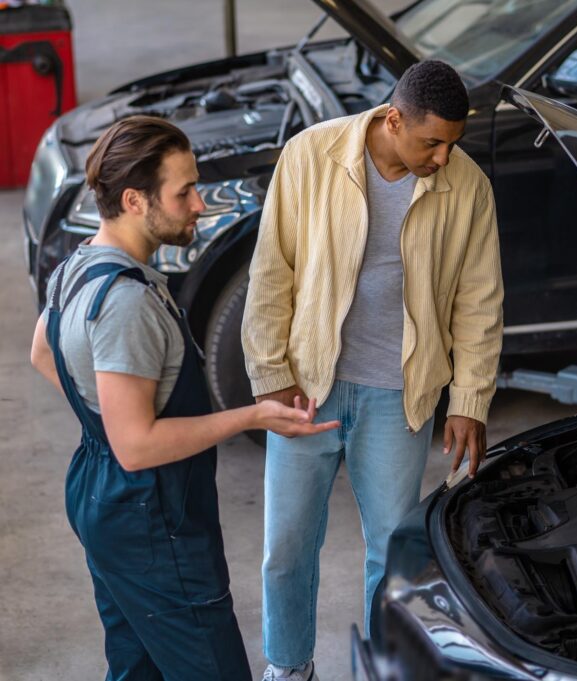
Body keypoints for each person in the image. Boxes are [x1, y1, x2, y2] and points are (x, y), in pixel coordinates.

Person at [29, 116, 339, 680]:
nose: (201, 205)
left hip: (102, 499)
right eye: (184, 191)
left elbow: (43, 353)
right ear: (135, 200)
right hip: (153, 520)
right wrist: (252, 415)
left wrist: (105, 416)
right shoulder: (127, 305)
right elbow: (138, 447)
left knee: (137, 664)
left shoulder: (79, 265)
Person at [243, 60, 503, 681]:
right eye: (430, 142)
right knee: (286, 546)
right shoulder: (311, 156)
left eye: (452, 143)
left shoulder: (468, 187)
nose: (443, 157)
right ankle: (288, 666)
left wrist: (469, 399)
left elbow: (479, 298)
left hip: (401, 392)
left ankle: (382, 669)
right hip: (310, 384)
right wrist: (271, 373)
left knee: (392, 551)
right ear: (393, 119)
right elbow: (271, 272)